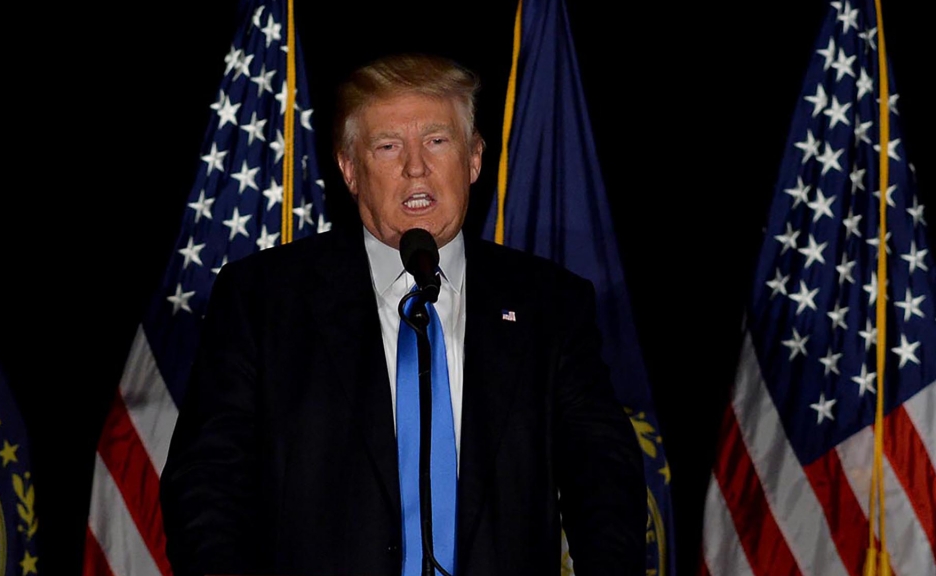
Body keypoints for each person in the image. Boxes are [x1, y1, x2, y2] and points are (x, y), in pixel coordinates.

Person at [159, 52, 646, 576]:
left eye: (437, 141)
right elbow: (206, 485)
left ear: (475, 157)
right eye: (388, 147)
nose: (416, 167)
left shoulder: (549, 304)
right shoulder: (264, 299)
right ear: (349, 169)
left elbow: (604, 482)